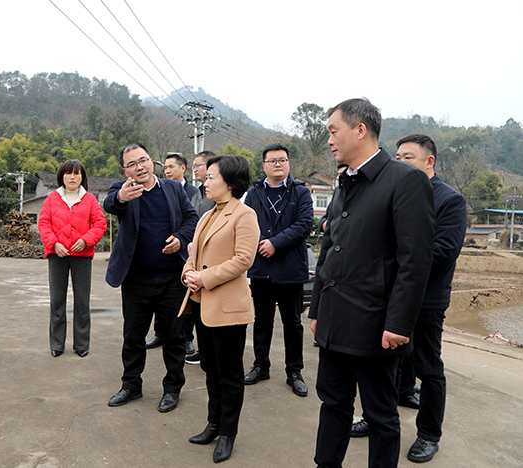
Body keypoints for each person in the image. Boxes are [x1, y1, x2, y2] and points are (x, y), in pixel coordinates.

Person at [308, 98, 435, 468]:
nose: (329, 140)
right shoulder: (344, 181)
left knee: (380, 414)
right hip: (334, 321)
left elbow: (415, 260)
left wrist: (398, 323)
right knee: (333, 402)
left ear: (359, 130)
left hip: (376, 325)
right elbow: (329, 248)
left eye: (334, 131)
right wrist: (317, 309)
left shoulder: (405, 180)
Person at [351, 134, 468, 463]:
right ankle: (376, 417)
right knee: (384, 363)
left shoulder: (449, 200)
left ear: (429, 162)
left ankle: (429, 434)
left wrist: (391, 260)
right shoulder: (393, 192)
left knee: (428, 369)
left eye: (408, 158)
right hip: (389, 296)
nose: (399, 163)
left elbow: (441, 253)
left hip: (426, 301)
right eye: (397, 157)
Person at [104, 143, 198, 412]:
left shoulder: (172, 188)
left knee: (174, 337)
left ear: (152, 162)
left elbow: (191, 219)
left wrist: (180, 239)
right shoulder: (121, 189)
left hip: (171, 278)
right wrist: (122, 196)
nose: (139, 167)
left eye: (143, 160)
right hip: (136, 279)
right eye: (132, 164)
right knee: (133, 336)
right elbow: (110, 204)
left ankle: (172, 388)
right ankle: (131, 386)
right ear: (125, 170)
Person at [179, 154, 259, 464]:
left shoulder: (244, 214)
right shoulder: (206, 214)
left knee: (229, 373)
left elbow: (243, 259)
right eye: (206, 176)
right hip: (201, 304)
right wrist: (188, 273)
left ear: (230, 181)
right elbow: (194, 252)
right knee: (210, 369)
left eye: (212, 177)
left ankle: (228, 432)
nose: (206, 181)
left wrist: (204, 277)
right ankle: (213, 424)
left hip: (227, 307)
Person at [243, 143, 313, 397]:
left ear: (288, 164)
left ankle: (294, 371)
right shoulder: (254, 193)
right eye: (272, 161)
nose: (278, 165)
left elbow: (305, 224)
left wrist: (275, 243)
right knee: (262, 320)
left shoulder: (301, 192)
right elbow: (246, 222)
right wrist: (263, 242)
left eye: (282, 160)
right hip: (261, 267)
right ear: (264, 166)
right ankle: (261, 365)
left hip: (290, 268)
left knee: (293, 322)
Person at [38, 160, 107, 358]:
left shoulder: (90, 200)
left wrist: (86, 240)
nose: (72, 177)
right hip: (57, 256)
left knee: (82, 301)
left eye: (77, 174)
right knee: (57, 301)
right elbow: (43, 223)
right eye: (68, 173)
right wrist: (54, 244)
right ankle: (57, 344)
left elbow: (100, 224)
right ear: (62, 176)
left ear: (82, 177)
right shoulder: (52, 198)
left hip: (82, 257)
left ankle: (82, 344)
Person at [146, 153, 200, 351]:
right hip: (162, 254)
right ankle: (159, 334)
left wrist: (182, 238)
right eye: (165, 167)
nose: (167, 171)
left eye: (171, 167)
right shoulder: (159, 188)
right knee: (160, 300)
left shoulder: (193, 191)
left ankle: (186, 338)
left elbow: (194, 219)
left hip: (185, 252)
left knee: (184, 299)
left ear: (182, 168)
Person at [185, 150, 217, 365]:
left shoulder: (219, 195)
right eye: (194, 166)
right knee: (198, 308)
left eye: (199, 165)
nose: (195, 169)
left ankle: (213, 353)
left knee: (212, 310)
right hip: (195, 257)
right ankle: (204, 351)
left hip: (213, 260)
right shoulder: (198, 193)